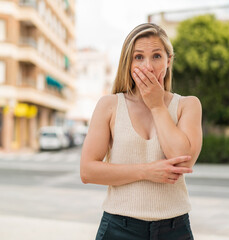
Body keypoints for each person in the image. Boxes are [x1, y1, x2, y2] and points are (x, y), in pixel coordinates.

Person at [80, 23, 202, 240]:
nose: (148, 66)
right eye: (138, 57)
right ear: (128, 63)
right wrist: (146, 171)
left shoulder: (188, 105)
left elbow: (183, 162)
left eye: (156, 56)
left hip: (175, 229)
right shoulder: (109, 105)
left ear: (168, 61)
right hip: (119, 227)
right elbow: (88, 171)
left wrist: (157, 106)